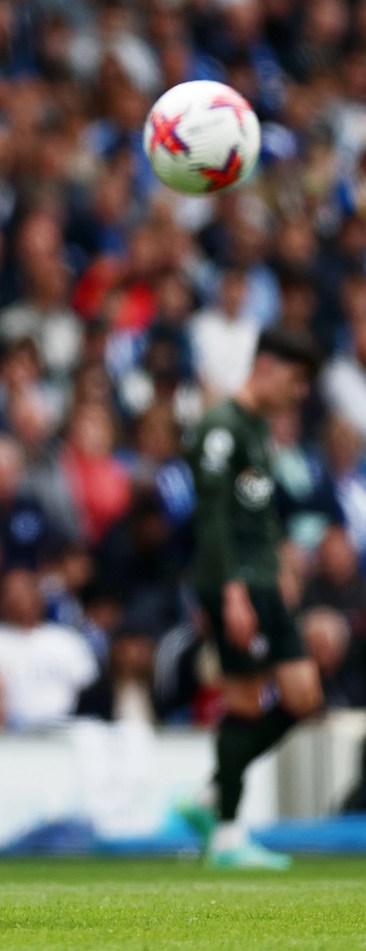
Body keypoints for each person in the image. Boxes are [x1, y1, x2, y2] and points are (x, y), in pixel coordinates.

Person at [181, 327, 324, 870]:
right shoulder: (219, 428)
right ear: (265, 367)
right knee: (244, 701)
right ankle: (227, 835)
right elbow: (212, 518)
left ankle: (213, 795)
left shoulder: (256, 428)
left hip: (262, 581)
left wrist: (280, 561)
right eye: (295, 381)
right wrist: (234, 593)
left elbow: (253, 508)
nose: (299, 394)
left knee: (302, 696)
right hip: (234, 584)